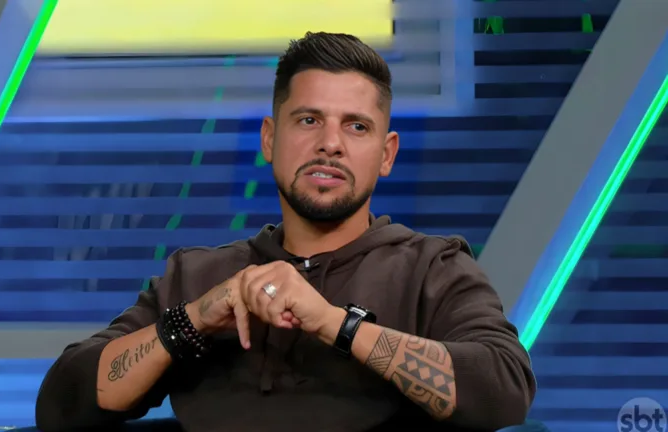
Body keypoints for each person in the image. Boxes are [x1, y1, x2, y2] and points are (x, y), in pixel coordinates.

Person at [35, 32, 536, 432]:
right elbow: (62, 401)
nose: (330, 144)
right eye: (309, 120)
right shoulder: (198, 274)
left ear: (387, 155)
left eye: (356, 126)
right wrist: (197, 318)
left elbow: (503, 388)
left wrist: (336, 325)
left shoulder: (431, 268)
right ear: (270, 139)